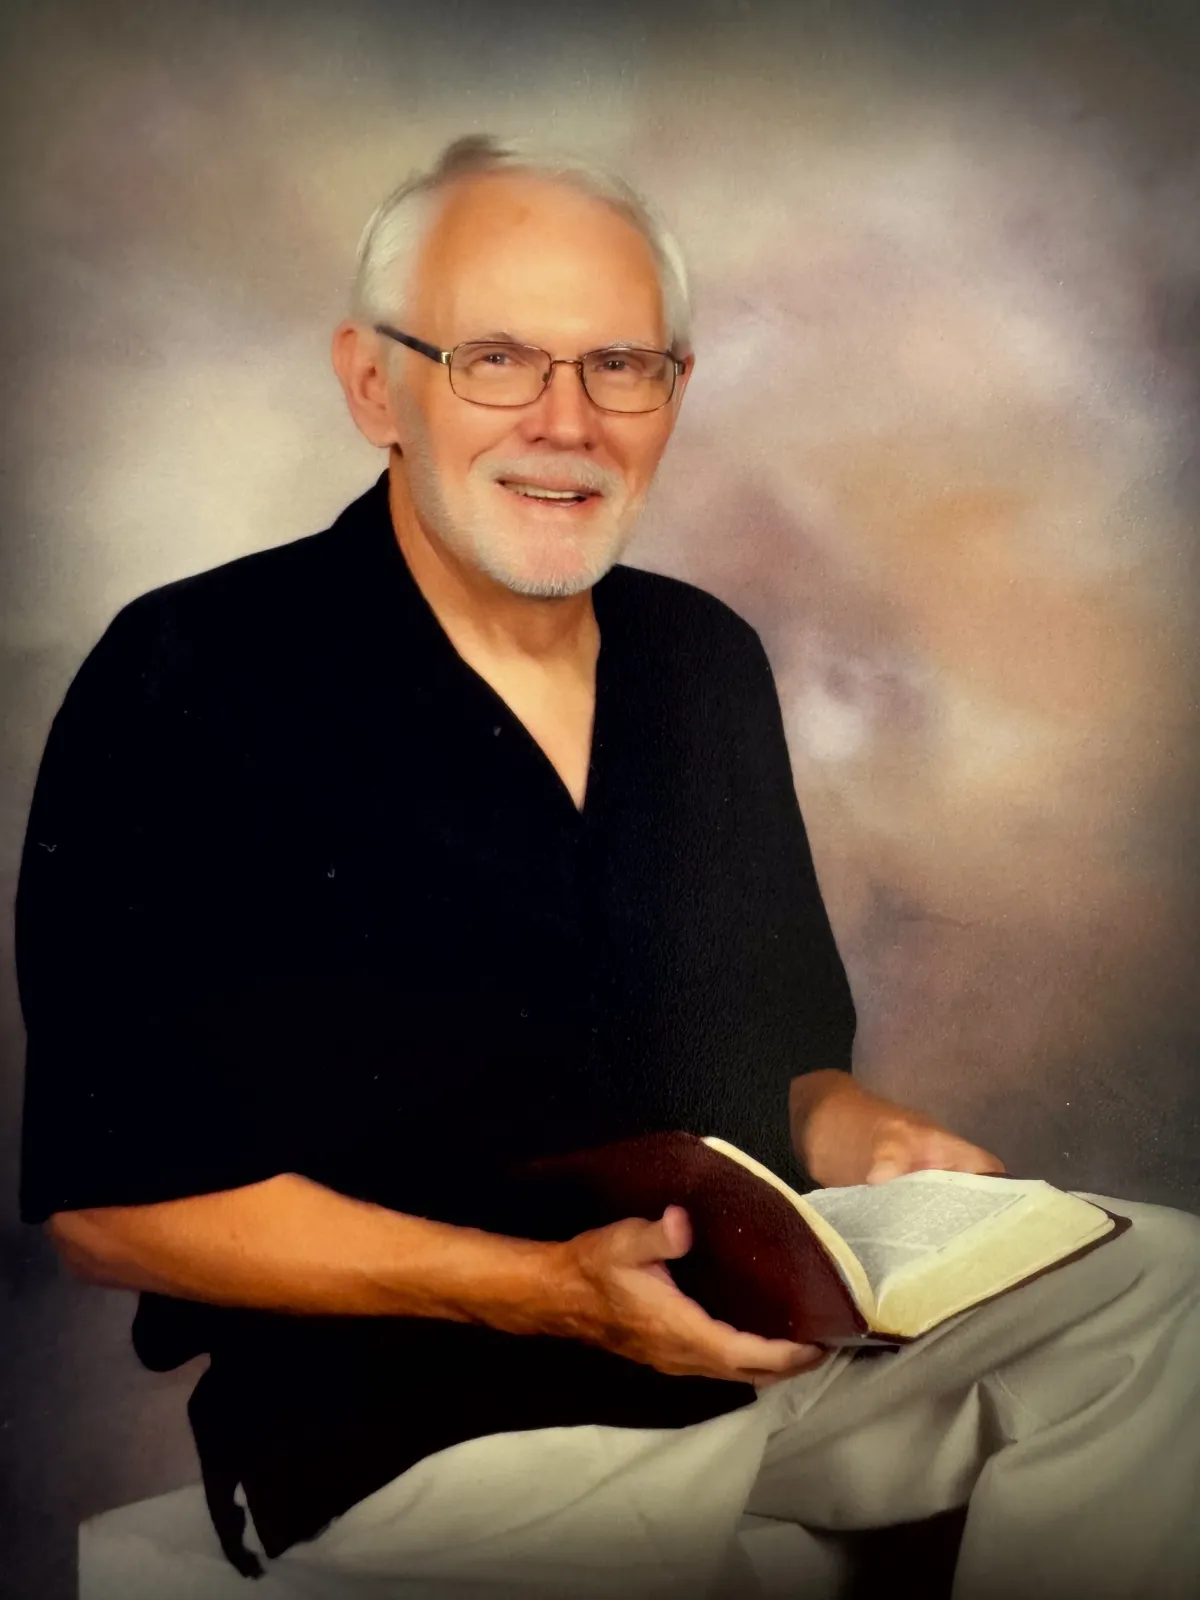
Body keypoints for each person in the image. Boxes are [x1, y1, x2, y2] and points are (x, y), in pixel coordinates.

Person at [17, 134, 1200, 1600]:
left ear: (676, 392)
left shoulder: (701, 661)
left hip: (762, 1356)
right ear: (376, 383)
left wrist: (875, 1144)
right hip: (410, 1432)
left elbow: (786, 1080)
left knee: (1162, 1294)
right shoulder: (190, 675)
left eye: (620, 366)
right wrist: (547, 1296)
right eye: (498, 359)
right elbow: (105, 1208)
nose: (566, 422)